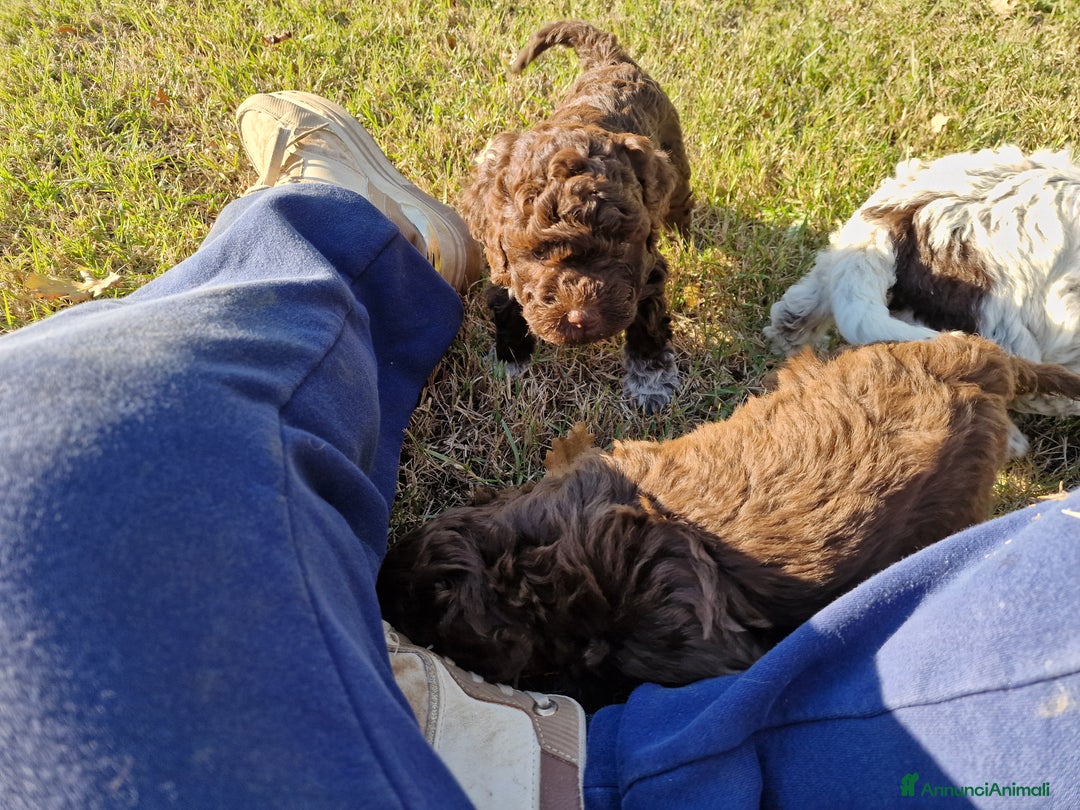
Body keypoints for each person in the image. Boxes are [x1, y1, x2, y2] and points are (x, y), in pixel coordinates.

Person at [0, 90, 1076, 809]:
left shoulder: (653, 604)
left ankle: (338, 231)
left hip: (933, 454)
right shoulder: (594, 494)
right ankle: (331, 239)